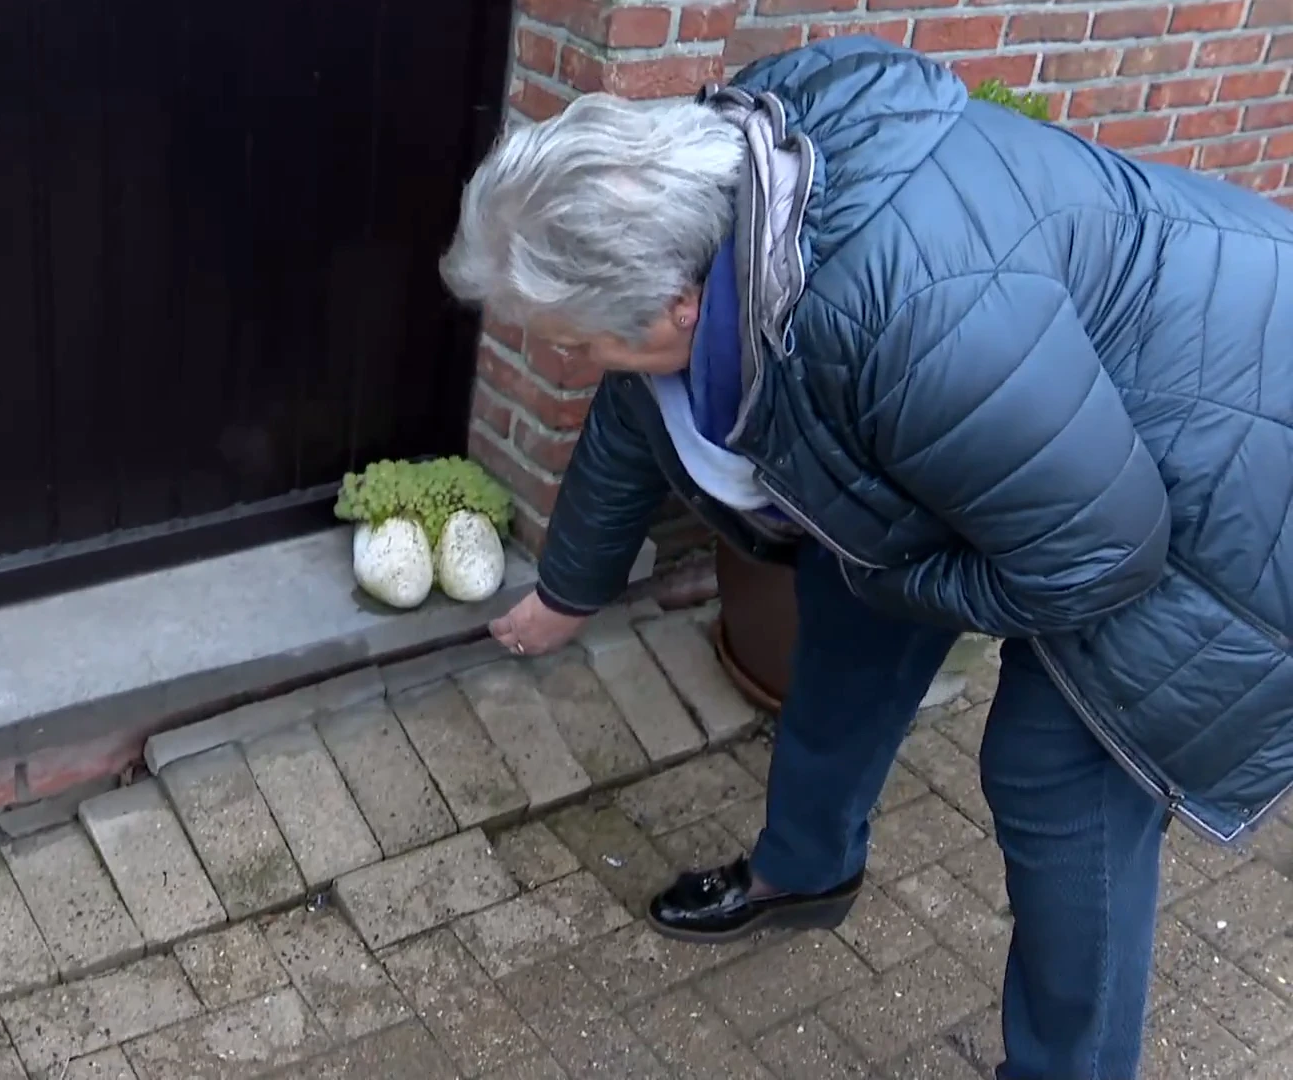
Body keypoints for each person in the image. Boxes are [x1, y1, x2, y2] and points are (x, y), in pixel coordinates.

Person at [440, 35, 1293, 1080]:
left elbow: (1100, 557)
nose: (560, 359)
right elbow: (638, 410)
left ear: (675, 306)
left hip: (1238, 473)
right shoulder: (726, 202)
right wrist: (568, 592)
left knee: (1057, 776)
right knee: (848, 618)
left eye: (572, 339)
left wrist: (902, 577)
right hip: (1062, 440)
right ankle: (804, 874)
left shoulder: (897, 320)